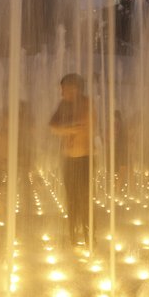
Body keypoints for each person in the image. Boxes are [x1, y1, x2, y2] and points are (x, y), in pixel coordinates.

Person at [49, 74, 92, 246]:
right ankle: (73, 233)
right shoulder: (63, 105)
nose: (61, 94)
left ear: (75, 89)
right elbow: (52, 126)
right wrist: (69, 129)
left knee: (84, 198)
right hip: (69, 159)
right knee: (71, 198)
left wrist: (65, 128)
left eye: (64, 89)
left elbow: (83, 125)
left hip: (84, 159)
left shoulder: (86, 103)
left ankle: (89, 234)